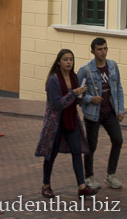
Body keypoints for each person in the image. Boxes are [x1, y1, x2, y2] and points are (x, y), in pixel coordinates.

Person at [35, 49, 94, 198]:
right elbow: (57, 104)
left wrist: (82, 94)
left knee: (77, 152)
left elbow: (77, 101)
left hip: (71, 120)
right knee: (51, 154)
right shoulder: (53, 80)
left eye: (71, 59)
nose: (69, 62)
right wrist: (73, 93)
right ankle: (46, 185)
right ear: (59, 62)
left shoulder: (74, 77)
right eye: (65, 59)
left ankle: (82, 187)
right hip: (55, 123)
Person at [77, 37, 124, 190]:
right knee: (91, 146)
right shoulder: (85, 70)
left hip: (109, 111)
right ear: (92, 51)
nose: (103, 52)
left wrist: (120, 109)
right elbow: (78, 96)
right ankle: (89, 177)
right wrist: (91, 98)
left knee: (118, 140)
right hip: (93, 113)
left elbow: (118, 89)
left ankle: (111, 175)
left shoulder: (112, 66)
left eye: (105, 48)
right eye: (99, 49)